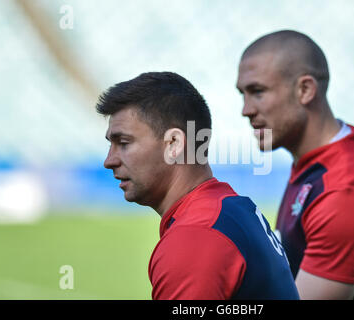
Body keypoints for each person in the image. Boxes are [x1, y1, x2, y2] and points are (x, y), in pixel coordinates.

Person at [236, 30, 354, 300]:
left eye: (257, 92)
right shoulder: (338, 151)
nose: (246, 109)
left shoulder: (346, 188)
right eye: (242, 94)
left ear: (305, 90)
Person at [96, 71, 299, 300]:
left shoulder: (196, 235)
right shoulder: (229, 208)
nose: (108, 160)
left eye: (123, 143)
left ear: (173, 143)